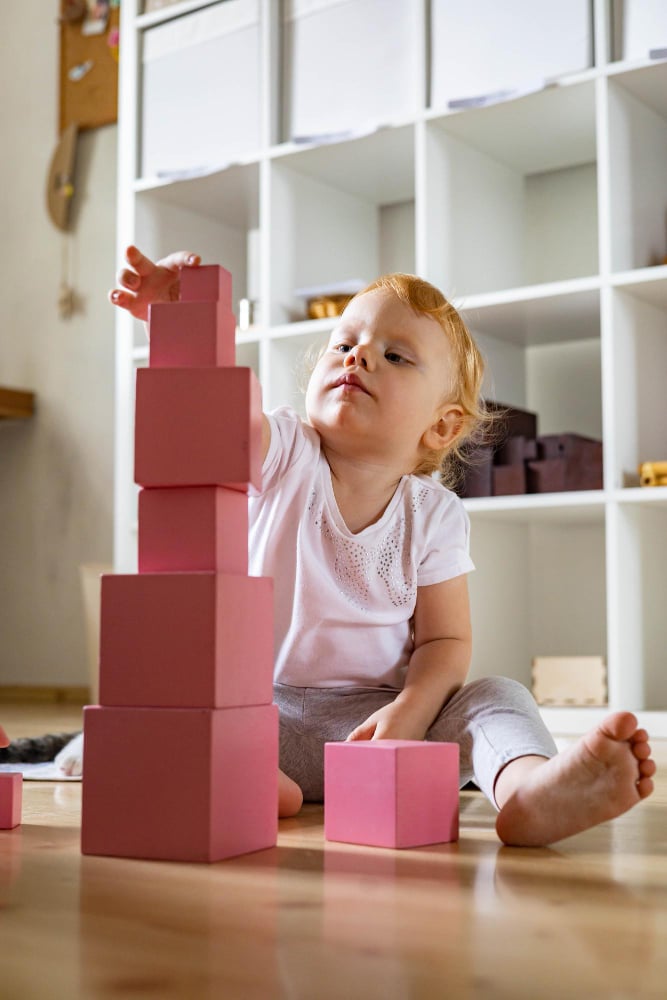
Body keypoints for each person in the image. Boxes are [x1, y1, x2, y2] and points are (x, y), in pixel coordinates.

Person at [110, 246, 656, 847]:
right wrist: (182, 319)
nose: (360, 355)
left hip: (377, 727)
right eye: (344, 345)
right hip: (262, 713)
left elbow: (446, 641)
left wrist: (413, 712)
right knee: (177, 692)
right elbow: (218, 408)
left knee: (497, 697)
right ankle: (251, 780)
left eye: (394, 355)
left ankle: (528, 790)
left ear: (443, 425)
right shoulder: (286, 451)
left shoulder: (436, 515)